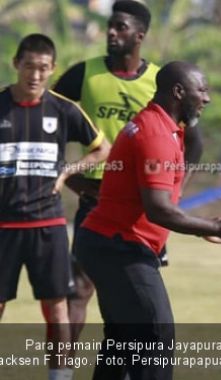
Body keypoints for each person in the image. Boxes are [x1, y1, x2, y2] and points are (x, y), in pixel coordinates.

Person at [75, 61, 221, 380]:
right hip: (119, 249)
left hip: (106, 244)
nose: (207, 98)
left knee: (122, 346)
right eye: (201, 90)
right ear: (178, 92)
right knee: (155, 338)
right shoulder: (155, 135)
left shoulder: (166, 128)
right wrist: (219, 227)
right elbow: (158, 210)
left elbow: (162, 201)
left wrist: (203, 225)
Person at [53, 0, 203, 351]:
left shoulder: (161, 81)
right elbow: (50, 123)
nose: (111, 32)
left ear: (140, 35)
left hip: (146, 206)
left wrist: (173, 190)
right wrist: (71, 178)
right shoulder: (83, 74)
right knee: (80, 288)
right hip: (97, 203)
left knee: (132, 298)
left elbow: (194, 142)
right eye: (110, 25)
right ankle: (63, 371)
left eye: (120, 27)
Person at [0, 34, 109, 380]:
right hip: (3, 227)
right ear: (16, 64)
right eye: (29, 66)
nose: (35, 75)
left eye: (43, 69)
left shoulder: (63, 109)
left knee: (57, 309)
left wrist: (68, 171)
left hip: (48, 225)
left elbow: (101, 148)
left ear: (52, 70)